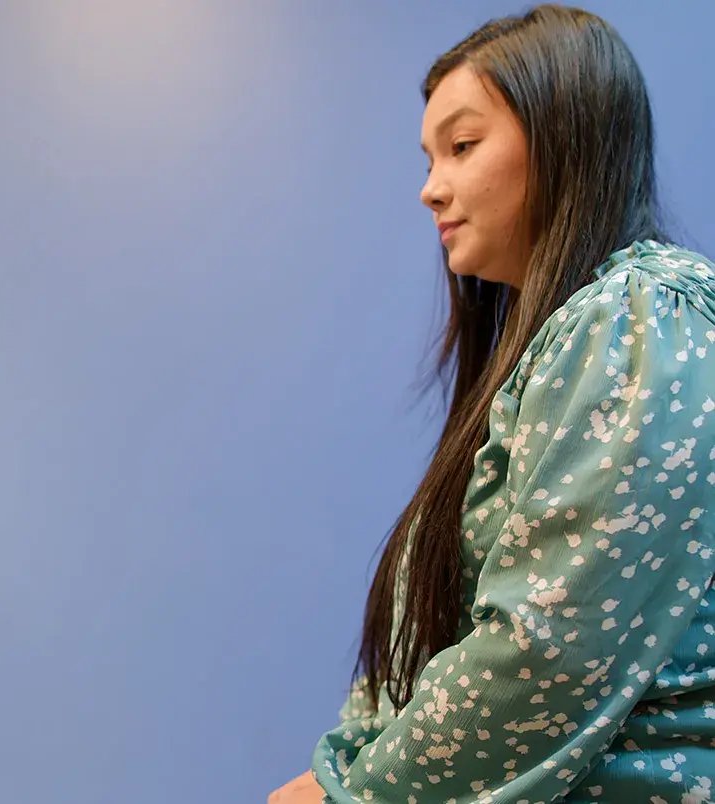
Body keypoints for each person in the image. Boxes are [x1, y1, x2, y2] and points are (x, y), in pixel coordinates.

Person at [271, 6, 714, 803]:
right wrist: (339, 769)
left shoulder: (639, 317)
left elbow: (549, 648)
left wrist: (353, 796)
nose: (429, 189)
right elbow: (426, 643)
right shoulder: (567, 339)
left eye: (462, 146)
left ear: (564, 136)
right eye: (429, 155)